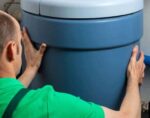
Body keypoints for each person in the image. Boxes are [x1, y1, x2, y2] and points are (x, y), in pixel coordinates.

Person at [0, 10, 145, 118]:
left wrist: (30, 69)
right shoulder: (49, 105)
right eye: (20, 42)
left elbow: (10, 98)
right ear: (11, 50)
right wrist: (134, 80)